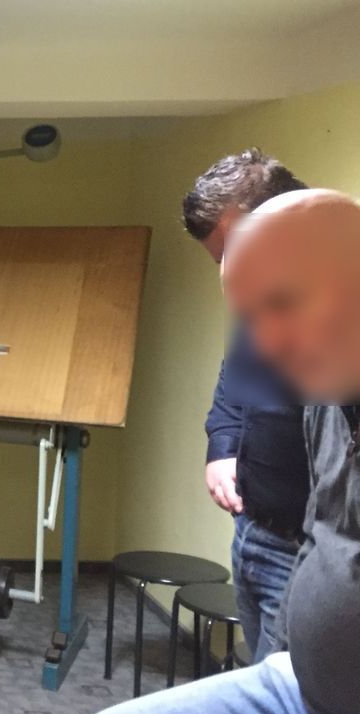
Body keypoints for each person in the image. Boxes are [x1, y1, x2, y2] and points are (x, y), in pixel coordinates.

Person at [78, 189, 360, 714]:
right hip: (304, 691)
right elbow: (321, 531)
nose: (268, 345)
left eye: (284, 304)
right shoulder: (325, 396)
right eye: (251, 318)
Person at [182, 149, 309, 661]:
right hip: (252, 530)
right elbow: (235, 376)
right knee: (260, 683)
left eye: (235, 252)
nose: (230, 274)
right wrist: (223, 445)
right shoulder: (261, 298)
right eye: (220, 261)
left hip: (310, 555)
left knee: (290, 700)